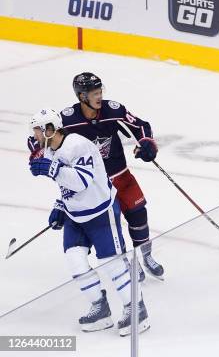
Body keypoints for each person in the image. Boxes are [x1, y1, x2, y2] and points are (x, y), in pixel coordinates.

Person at [28, 72, 164, 281]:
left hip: (121, 175)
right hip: (94, 184)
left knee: (138, 214)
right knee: (112, 226)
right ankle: (129, 261)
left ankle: (145, 254)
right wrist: (39, 153)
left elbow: (140, 125)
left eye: (100, 91)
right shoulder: (67, 118)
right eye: (94, 93)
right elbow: (36, 139)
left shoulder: (113, 109)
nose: (99, 97)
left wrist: (146, 142)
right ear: (82, 97)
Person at [28, 108, 149, 336]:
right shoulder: (50, 149)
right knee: (75, 260)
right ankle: (100, 308)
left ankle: (137, 309)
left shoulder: (77, 145)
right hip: (76, 215)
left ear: (50, 130)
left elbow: (82, 180)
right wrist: (60, 205)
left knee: (112, 262)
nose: (34, 135)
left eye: (37, 130)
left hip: (101, 213)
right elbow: (65, 185)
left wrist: (53, 170)